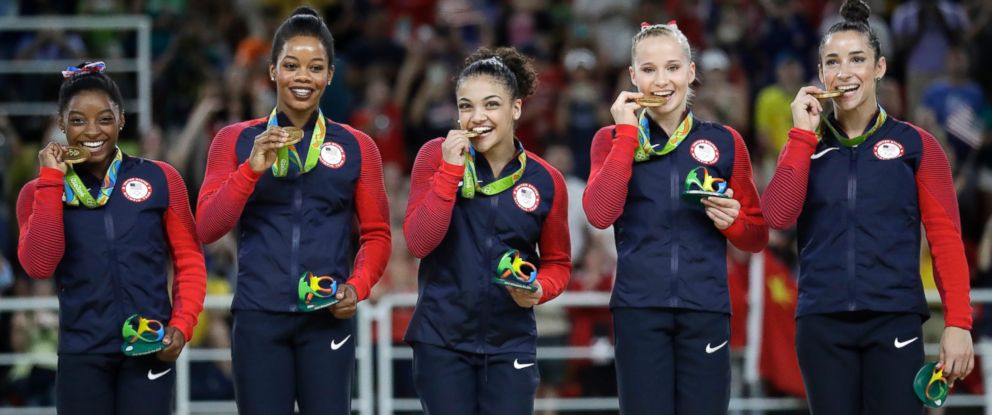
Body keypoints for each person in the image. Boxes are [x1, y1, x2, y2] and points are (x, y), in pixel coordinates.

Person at [761, 1, 974, 413]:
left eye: (857, 59)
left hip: (894, 319)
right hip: (822, 324)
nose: (845, 72)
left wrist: (958, 323)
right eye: (832, 62)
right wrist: (801, 138)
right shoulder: (805, 146)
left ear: (879, 67)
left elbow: (946, 238)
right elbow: (777, 216)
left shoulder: (919, 146)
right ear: (821, 74)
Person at [195, 7, 391, 414]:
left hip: (326, 317)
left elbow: (377, 235)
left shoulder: (357, 147)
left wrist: (357, 286)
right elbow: (208, 227)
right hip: (258, 316)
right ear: (272, 71)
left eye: (315, 67)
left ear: (330, 75)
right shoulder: (234, 140)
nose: (303, 77)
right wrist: (249, 171)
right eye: (291, 65)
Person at [583, 22, 768, 415]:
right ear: (633, 77)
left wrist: (732, 222)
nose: (661, 80)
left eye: (672, 67)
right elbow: (599, 214)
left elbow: (756, 236)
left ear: (691, 72)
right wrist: (627, 136)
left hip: (706, 308)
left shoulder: (724, 141)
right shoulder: (611, 139)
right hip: (638, 308)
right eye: (648, 70)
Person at [16, 61, 206, 414]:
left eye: (104, 118)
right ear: (61, 124)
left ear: (121, 119)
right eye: (77, 120)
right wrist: (51, 181)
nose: (93, 130)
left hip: (149, 344)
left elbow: (190, 261)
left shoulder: (161, 178)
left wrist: (181, 325)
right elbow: (40, 265)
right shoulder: (38, 191)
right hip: (82, 353)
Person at [402, 46, 571, 415]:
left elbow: (558, 262)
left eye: (491, 105)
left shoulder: (546, 180)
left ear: (516, 108)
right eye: (466, 106)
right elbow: (418, 242)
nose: (477, 117)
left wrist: (540, 289)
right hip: (441, 341)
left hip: (510, 342)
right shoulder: (436, 155)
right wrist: (449, 171)